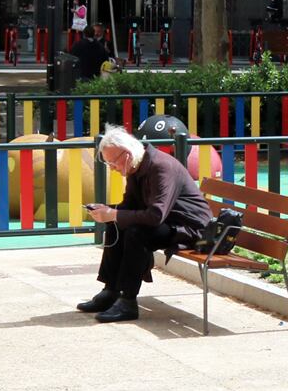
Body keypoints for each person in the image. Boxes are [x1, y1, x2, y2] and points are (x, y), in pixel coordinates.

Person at [78, 126, 213, 323]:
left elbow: (155, 215)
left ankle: (127, 300)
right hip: (168, 222)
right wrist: (106, 211)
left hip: (190, 228)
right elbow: (129, 206)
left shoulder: (161, 167)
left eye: (112, 162)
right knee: (116, 225)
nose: (112, 168)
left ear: (127, 154)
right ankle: (111, 290)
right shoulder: (135, 166)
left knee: (136, 232)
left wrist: (114, 213)